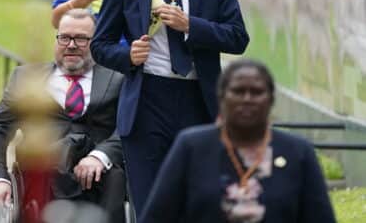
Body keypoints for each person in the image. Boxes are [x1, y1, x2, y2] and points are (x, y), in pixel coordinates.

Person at [91, 0, 250, 215]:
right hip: (146, 102)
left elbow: (238, 38)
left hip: (198, 100)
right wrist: (128, 56)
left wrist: (191, 25)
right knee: (151, 207)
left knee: (197, 204)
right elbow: (99, 45)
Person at [141, 59, 336, 223]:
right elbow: (157, 217)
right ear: (222, 97)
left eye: (257, 92)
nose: (247, 99)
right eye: (238, 91)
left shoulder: (298, 152)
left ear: (271, 99)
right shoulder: (191, 147)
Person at [0, 10, 126, 223]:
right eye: (65, 37)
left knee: (115, 178)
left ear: (95, 42)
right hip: (41, 178)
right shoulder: (26, 78)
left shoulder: (119, 79)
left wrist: (100, 156)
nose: (71, 45)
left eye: (81, 39)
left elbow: (129, 127)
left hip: (98, 179)